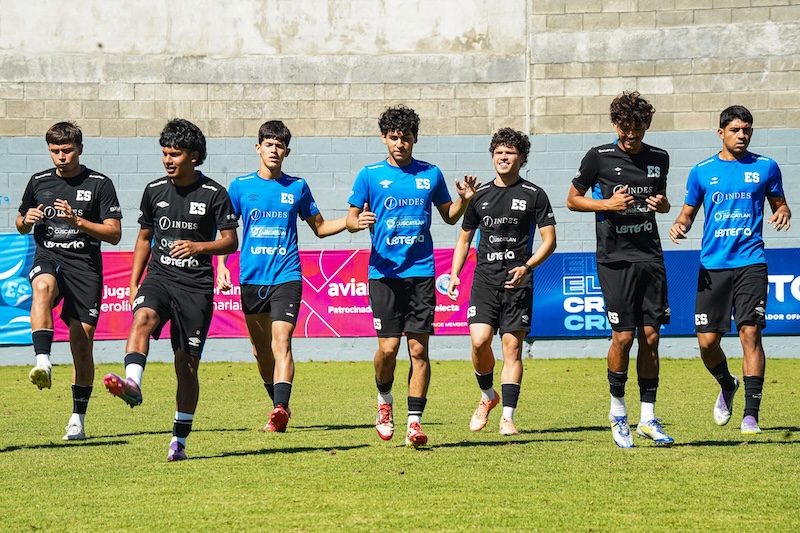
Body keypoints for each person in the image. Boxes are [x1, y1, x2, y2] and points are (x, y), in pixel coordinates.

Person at [103, 119, 239, 461]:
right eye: (164, 153)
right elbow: (145, 238)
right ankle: (133, 384)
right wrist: (134, 281)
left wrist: (198, 248)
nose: (168, 160)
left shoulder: (214, 194)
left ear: (194, 156)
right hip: (159, 278)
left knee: (186, 366)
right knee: (143, 319)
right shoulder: (153, 191)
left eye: (175, 154)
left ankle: (179, 440)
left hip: (195, 288)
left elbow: (230, 242)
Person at [346, 105, 478, 447]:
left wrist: (463, 202)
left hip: (421, 273)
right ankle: (384, 400)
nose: (399, 143)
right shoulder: (369, 175)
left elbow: (449, 216)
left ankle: (414, 424)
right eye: (393, 138)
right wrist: (356, 222)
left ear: (415, 139)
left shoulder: (431, 174)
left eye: (405, 138)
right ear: (384, 139)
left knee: (419, 350)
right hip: (384, 273)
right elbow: (349, 218)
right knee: (388, 349)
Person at [216, 120, 346, 432]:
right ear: (258, 147)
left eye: (280, 145)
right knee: (261, 352)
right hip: (251, 278)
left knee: (282, 340)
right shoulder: (240, 187)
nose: (274, 150)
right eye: (269, 144)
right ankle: (278, 405)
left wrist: (350, 223)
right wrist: (221, 265)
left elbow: (320, 227)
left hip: (287, 276)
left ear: (287, 151)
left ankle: (279, 408)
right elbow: (225, 231)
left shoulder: (297, 187)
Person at [669, 105, 791, 435]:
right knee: (707, 343)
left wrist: (783, 213)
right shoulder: (702, 171)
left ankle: (751, 415)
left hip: (752, 263)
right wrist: (679, 225)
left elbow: (780, 204)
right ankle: (727, 384)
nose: (742, 135)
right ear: (721, 132)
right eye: (736, 130)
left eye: (747, 130)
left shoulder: (766, 167)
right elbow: (687, 214)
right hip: (713, 267)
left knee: (750, 333)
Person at [566, 91, 674, 448]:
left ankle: (648, 418)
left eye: (638, 129)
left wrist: (663, 205)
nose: (632, 135)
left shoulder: (660, 157)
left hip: (650, 257)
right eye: (626, 129)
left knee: (652, 338)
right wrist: (607, 203)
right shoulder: (598, 157)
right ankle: (617, 413)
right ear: (616, 125)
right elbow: (572, 200)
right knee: (624, 338)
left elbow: (662, 200)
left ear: (647, 125)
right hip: (614, 259)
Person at [16, 122, 122, 441]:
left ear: (80, 148)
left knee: (81, 344)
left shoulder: (100, 184)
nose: (61, 157)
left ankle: (77, 418)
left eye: (67, 150)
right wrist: (26, 220)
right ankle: (43, 362)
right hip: (49, 256)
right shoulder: (38, 182)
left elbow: (115, 234)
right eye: (54, 151)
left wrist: (77, 220)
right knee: (42, 287)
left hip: (85, 267)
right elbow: (21, 222)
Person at [447, 128, 556, 436]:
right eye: (498, 152)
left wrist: (528, 266)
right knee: (480, 341)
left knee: (512, 347)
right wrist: (455, 274)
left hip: (517, 282)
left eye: (510, 152)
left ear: (521, 158)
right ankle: (487, 396)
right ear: (492, 156)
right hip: (484, 281)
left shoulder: (534, 194)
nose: (503, 157)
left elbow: (550, 240)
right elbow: (464, 238)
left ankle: (507, 416)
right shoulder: (479, 196)